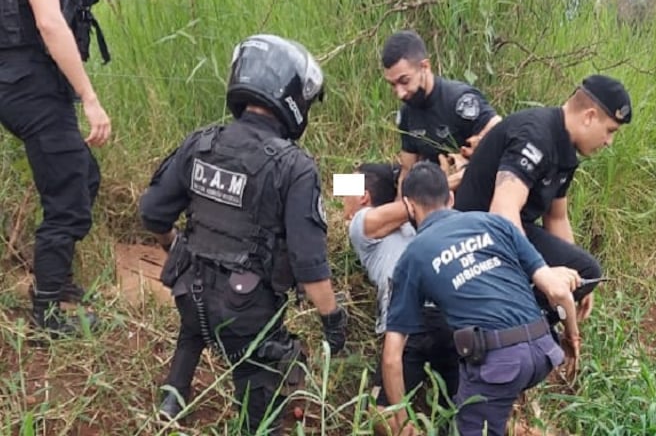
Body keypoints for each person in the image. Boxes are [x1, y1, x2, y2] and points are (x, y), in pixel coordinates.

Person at [139, 34, 348, 433]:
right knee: (260, 381)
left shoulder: (202, 142)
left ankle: (173, 398)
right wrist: (332, 320)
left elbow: (152, 212)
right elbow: (309, 263)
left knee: (194, 324)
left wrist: (178, 247)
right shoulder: (294, 166)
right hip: (246, 316)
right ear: (290, 96)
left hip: (189, 295)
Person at [0, 0, 112, 335]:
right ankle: (48, 312)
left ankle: (56, 279)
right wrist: (89, 97)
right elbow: (47, 21)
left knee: (83, 175)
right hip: (29, 82)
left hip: (14, 80)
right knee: (69, 190)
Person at [382, 162, 581, 436]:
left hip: (501, 360)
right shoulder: (495, 223)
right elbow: (558, 291)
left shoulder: (413, 255)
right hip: (545, 349)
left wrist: (402, 423)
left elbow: (392, 357)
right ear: (450, 198)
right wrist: (573, 337)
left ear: (409, 206)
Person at [454, 74, 633, 322]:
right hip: (474, 232)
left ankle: (529, 327)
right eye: (610, 130)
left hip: (506, 232)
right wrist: (543, 273)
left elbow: (557, 218)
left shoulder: (565, 146)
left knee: (586, 270)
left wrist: (579, 280)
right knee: (555, 278)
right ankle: (508, 324)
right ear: (590, 116)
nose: (609, 142)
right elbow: (503, 211)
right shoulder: (535, 136)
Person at [342, 162, 459, 421]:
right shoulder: (371, 225)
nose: (341, 199)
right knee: (478, 415)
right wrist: (445, 184)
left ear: (363, 196)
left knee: (378, 413)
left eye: (345, 190)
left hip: (412, 324)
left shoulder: (371, 221)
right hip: (446, 319)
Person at [381, 30, 500, 190]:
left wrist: (473, 155)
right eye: (393, 85)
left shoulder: (459, 100)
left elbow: (498, 128)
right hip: (425, 177)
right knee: (351, 181)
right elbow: (407, 170)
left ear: (425, 66)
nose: (400, 93)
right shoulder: (407, 112)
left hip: (460, 184)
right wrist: (402, 203)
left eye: (405, 81)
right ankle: (347, 202)